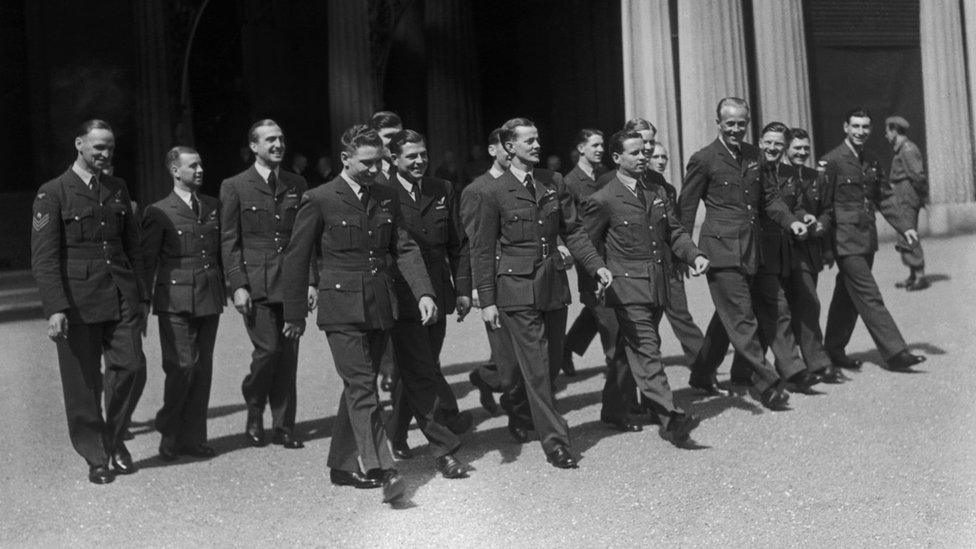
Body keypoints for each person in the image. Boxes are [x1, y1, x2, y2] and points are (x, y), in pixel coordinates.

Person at [281, 124, 438, 503]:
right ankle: (384, 468)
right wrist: (294, 314)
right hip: (341, 307)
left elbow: (403, 248)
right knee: (363, 386)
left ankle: (342, 463)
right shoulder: (319, 198)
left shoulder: (385, 195)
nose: (374, 169)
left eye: (378, 162)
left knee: (358, 385)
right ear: (345, 159)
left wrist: (423, 292)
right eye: (366, 163)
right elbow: (297, 257)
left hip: (381, 304)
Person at [469, 117, 612, 469]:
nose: (536, 145)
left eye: (537, 139)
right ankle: (557, 442)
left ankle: (519, 409)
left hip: (552, 286)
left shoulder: (553, 182)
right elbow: (483, 250)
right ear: (509, 147)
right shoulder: (491, 192)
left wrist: (595, 265)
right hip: (515, 291)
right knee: (534, 367)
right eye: (528, 141)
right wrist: (486, 301)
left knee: (547, 369)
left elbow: (574, 231)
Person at [31, 119, 148, 484]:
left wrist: (141, 295)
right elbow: (45, 258)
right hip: (78, 301)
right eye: (98, 147)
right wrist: (55, 309)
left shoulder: (117, 188)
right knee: (82, 385)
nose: (104, 153)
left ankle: (112, 439)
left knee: (131, 367)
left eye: (110, 147)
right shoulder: (53, 193)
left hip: (120, 292)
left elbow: (133, 248)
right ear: (79, 144)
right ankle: (96, 456)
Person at [678, 98, 808, 410]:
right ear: (718, 123)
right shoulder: (704, 159)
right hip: (720, 251)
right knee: (742, 317)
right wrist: (684, 252)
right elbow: (686, 208)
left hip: (752, 249)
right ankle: (767, 384)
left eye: (741, 124)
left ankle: (701, 373)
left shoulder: (755, 155)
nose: (736, 129)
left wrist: (791, 222)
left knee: (730, 317)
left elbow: (770, 199)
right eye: (730, 123)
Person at [583, 130, 710, 446]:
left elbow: (675, 232)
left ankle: (613, 408)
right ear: (616, 158)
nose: (643, 157)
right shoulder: (604, 198)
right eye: (635, 153)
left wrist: (694, 255)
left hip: (657, 284)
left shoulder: (656, 190)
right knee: (648, 349)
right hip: (626, 288)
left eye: (645, 152)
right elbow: (586, 243)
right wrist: (596, 279)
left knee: (631, 350)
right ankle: (671, 417)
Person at [380, 129, 473, 477]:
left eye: (423, 155)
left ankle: (396, 431)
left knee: (423, 365)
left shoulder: (442, 189)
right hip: (401, 294)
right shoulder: (381, 193)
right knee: (421, 370)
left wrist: (462, 288)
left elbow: (456, 244)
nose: (419, 161)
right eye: (411, 157)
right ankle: (443, 448)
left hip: (438, 291)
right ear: (393, 159)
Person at [220, 119, 313, 449]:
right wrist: (237, 285)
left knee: (288, 355)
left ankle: (285, 425)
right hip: (256, 283)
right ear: (254, 146)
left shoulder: (296, 183)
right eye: (270, 140)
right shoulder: (235, 186)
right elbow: (229, 240)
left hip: (291, 281)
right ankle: (254, 405)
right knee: (268, 350)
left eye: (281, 139)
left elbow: (306, 238)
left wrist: (311, 281)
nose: (278, 145)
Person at [714, 123, 822, 393]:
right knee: (729, 318)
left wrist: (800, 218)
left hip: (770, 254)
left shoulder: (784, 172)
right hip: (742, 249)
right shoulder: (747, 166)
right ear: (759, 141)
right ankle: (707, 370)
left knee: (776, 308)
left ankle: (792, 370)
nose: (773, 148)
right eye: (768, 143)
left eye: (778, 144)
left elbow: (789, 205)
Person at [821, 108, 927, 371]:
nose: (860, 132)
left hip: (866, 239)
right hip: (844, 241)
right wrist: (823, 248)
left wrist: (906, 227)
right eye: (855, 126)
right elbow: (821, 205)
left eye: (865, 127)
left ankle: (833, 350)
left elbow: (885, 197)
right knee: (869, 295)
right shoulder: (832, 161)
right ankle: (896, 353)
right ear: (845, 127)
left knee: (847, 295)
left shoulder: (872, 160)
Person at [141, 146, 223, 461]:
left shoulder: (213, 205)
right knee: (181, 367)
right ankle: (169, 431)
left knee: (202, 370)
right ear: (176, 171)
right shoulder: (159, 210)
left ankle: (193, 438)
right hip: (174, 299)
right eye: (193, 165)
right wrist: (142, 302)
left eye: (201, 164)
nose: (200, 169)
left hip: (209, 296)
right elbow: (148, 260)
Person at [460, 128, 525, 420]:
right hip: (495, 282)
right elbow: (475, 243)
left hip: (525, 281)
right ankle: (490, 382)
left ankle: (500, 390)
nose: (512, 153)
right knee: (509, 364)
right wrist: (476, 287)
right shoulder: (477, 190)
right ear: (492, 151)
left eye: (515, 148)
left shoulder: (525, 185)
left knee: (522, 355)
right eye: (505, 148)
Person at [783, 128, 845, 383]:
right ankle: (816, 363)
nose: (802, 152)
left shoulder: (815, 177)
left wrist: (822, 224)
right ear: (787, 148)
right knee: (806, 305)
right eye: (797, 148)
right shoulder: (776, 174)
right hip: (785, 248)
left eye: (806, 148)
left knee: (803, 305)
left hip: (809, 250)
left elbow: (827, 208)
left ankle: (803, 364)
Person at [562, 129, 611, 378]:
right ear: (581, 149)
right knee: (605, 315)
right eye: (595, 145)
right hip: (589, 255)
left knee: (599, 308)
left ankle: (565, 348)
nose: (601, 149)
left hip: (612, 253)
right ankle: (616, 370)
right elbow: (568, 226)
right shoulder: (569, 183)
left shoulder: (606, 176)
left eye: (602, 145)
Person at [368, 110, 404, 391]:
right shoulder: (367, 176)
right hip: (381, 263)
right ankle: (388, 370)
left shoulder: (408, 169)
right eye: (389, 137)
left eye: (398, 136)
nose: (395, 143)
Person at [885, 116, 929, 291]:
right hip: (901, 193)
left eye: (887, 131)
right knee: (904, 233)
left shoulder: (908, 149)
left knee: (909, 233)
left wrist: (922, 196)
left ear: (895, 132)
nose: (886, 135)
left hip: (907, 193)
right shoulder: (902, 149)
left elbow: (917, 175)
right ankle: (913, 275)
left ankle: (920, 276)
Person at [369, 111, 404, 186]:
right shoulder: (363, 172)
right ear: (373, 138)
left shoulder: (407, 170)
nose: (396, 141)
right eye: (389, 136)